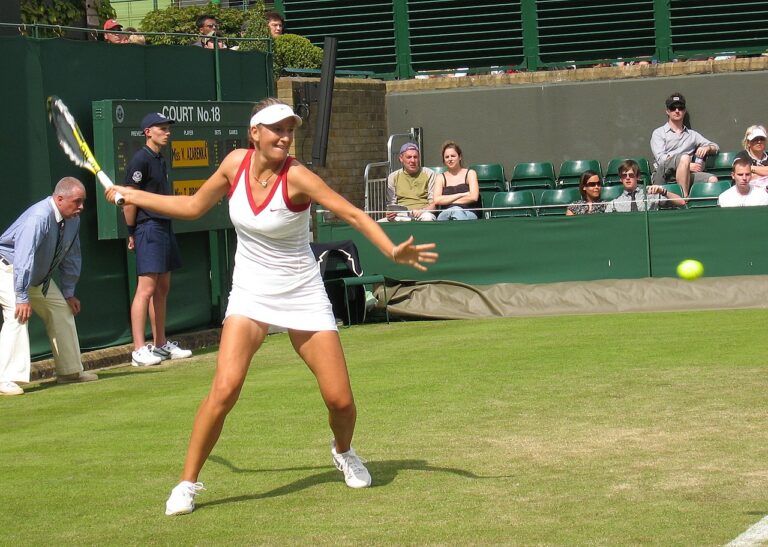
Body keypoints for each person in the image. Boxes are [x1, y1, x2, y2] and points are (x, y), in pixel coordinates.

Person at [104, 98, 438, 516]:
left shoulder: (298, 177)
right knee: (224, 389)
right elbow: (191, 207)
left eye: (289, 130)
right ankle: (187, 483)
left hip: (302, 293)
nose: (285, 136)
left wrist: (391, 248)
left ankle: (344, 450)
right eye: (276, 129)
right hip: (250, 293)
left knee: (340, 402)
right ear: (255, 133)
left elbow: (351, 213)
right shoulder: (233, 164)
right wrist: (132, 194)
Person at [0, 177, 97, 396]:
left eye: (83, 202)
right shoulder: (38, 217)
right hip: (8, 269)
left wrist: (68, 292)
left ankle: (70, 371)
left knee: (62, 310)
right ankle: (4, 378)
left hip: (38, 276)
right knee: (17, 315)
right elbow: (24, 256)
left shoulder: (72, 219)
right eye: (77, 202)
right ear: (60, 199)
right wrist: (21, 296)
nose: (81, 207)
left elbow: (71, 255)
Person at [122, 112, 192, 367]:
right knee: (146, 289)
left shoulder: (160, 159)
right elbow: (129, 199)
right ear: (147, 132)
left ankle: (160, 344)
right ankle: (138, 349)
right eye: (162, 128)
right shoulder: (140, 159)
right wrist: (131, 231)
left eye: (167, 128)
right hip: (147, 228)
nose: (167, 132)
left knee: (162, 288)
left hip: (164, 226)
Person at [650, 92, 719, 197]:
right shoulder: (658, 133)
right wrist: (686, 165)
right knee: (685, 158)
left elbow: (716, 147)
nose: (677, 111)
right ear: (667, 111)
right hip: (663, 174)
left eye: (680, 107)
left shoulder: (692, 135)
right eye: (673, 108)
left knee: (713, 179)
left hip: (686, 174)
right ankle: (684, 198)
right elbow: (661, 159)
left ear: (684, 110)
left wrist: (708, 148)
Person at [382, 143, 436, 221]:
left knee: (428, 218)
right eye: (409, 157)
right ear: (401, 158)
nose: (412, 160)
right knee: (377, 224)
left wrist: (422, 210)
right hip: (401, 214)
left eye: (415, 157)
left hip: (423, 213)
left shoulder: (429, 174)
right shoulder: (393, 177)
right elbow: (391, 204)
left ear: (419, 158)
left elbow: (433, 204)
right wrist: (390, 213)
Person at [606, 159, 686, 212]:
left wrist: (663, 192)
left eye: (631, 175)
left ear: (637, 177)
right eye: (624, 176)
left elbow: (681, 202)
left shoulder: (650, 195)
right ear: (620, 179)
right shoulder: (615, 203)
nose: (627, 178)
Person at [433, 141, 480, 221]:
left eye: (453, 156)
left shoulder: (470, 173)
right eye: (447, 157)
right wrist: (462, 194)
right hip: (446, 213)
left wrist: (447, 201)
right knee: (451, 212)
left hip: (468, 213)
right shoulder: (440, 177)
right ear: (444, 160)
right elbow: (437, 200)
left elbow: (474, 197)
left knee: (456, 211)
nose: (450, 159)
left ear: (460, 157)